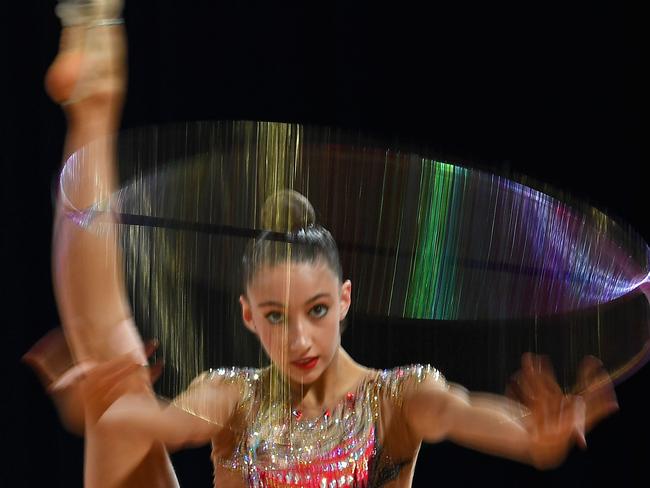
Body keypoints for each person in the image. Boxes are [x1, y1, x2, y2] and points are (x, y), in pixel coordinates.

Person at [24, 1, 619, 487]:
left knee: (113, 382)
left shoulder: (400, 400)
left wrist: (531, 440)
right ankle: (93, 103)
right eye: (277, 317)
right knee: (114, 371)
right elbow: (145, 425)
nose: (300, 339)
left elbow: (466, 412)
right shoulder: (231, 396)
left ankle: (95, 92)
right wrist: (98, 418)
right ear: (248, 317)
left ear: (346, 299)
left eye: (316, 311)